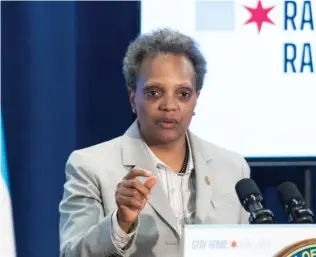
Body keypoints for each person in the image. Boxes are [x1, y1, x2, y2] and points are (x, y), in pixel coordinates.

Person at [58, 28, 250, 257]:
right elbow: (71, 254)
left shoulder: (232, 167)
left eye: (183, 94)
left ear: (196, 99)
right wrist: (120, 223)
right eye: (154, 93)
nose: (169, 106)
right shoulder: (90, 166)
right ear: (132, 98)